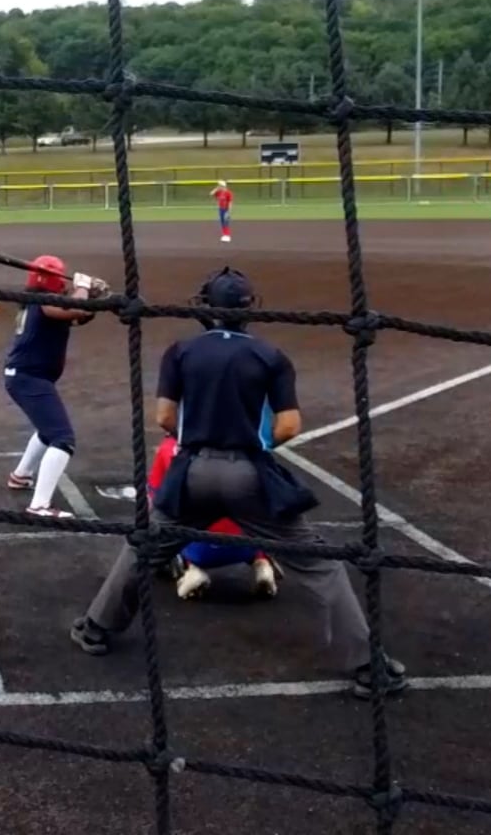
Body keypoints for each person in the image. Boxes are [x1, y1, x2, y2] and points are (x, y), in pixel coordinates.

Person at [69, 266, 407, 700]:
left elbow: (165, 418)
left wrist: (197, 439)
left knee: (145, 545)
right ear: (249, 309)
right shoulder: (269, 355)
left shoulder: (181, 351)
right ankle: (367, 667)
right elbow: (288, 426)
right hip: (248, 475)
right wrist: (253, 444)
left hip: (191, 473)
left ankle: (95, 628)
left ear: (206, 306)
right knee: (321, 564)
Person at [3, 256, 109, 519]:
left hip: (27, 377)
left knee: (47, 430)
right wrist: (82, 287)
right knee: (63, 439)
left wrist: (94, 297)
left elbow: (79, 316)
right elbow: (74, 308)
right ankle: (39, 506)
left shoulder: (40, 302)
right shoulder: (43, 301)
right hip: (28, 378)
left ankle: (21, 475)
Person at [147, 434, 278, 601]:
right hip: (248, 544)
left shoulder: (171, 447)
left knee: (168, 519)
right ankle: (262, 563)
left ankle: (192, 568)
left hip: (200, 547)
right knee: (257, 513)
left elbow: (154, 500)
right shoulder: (252, 446)